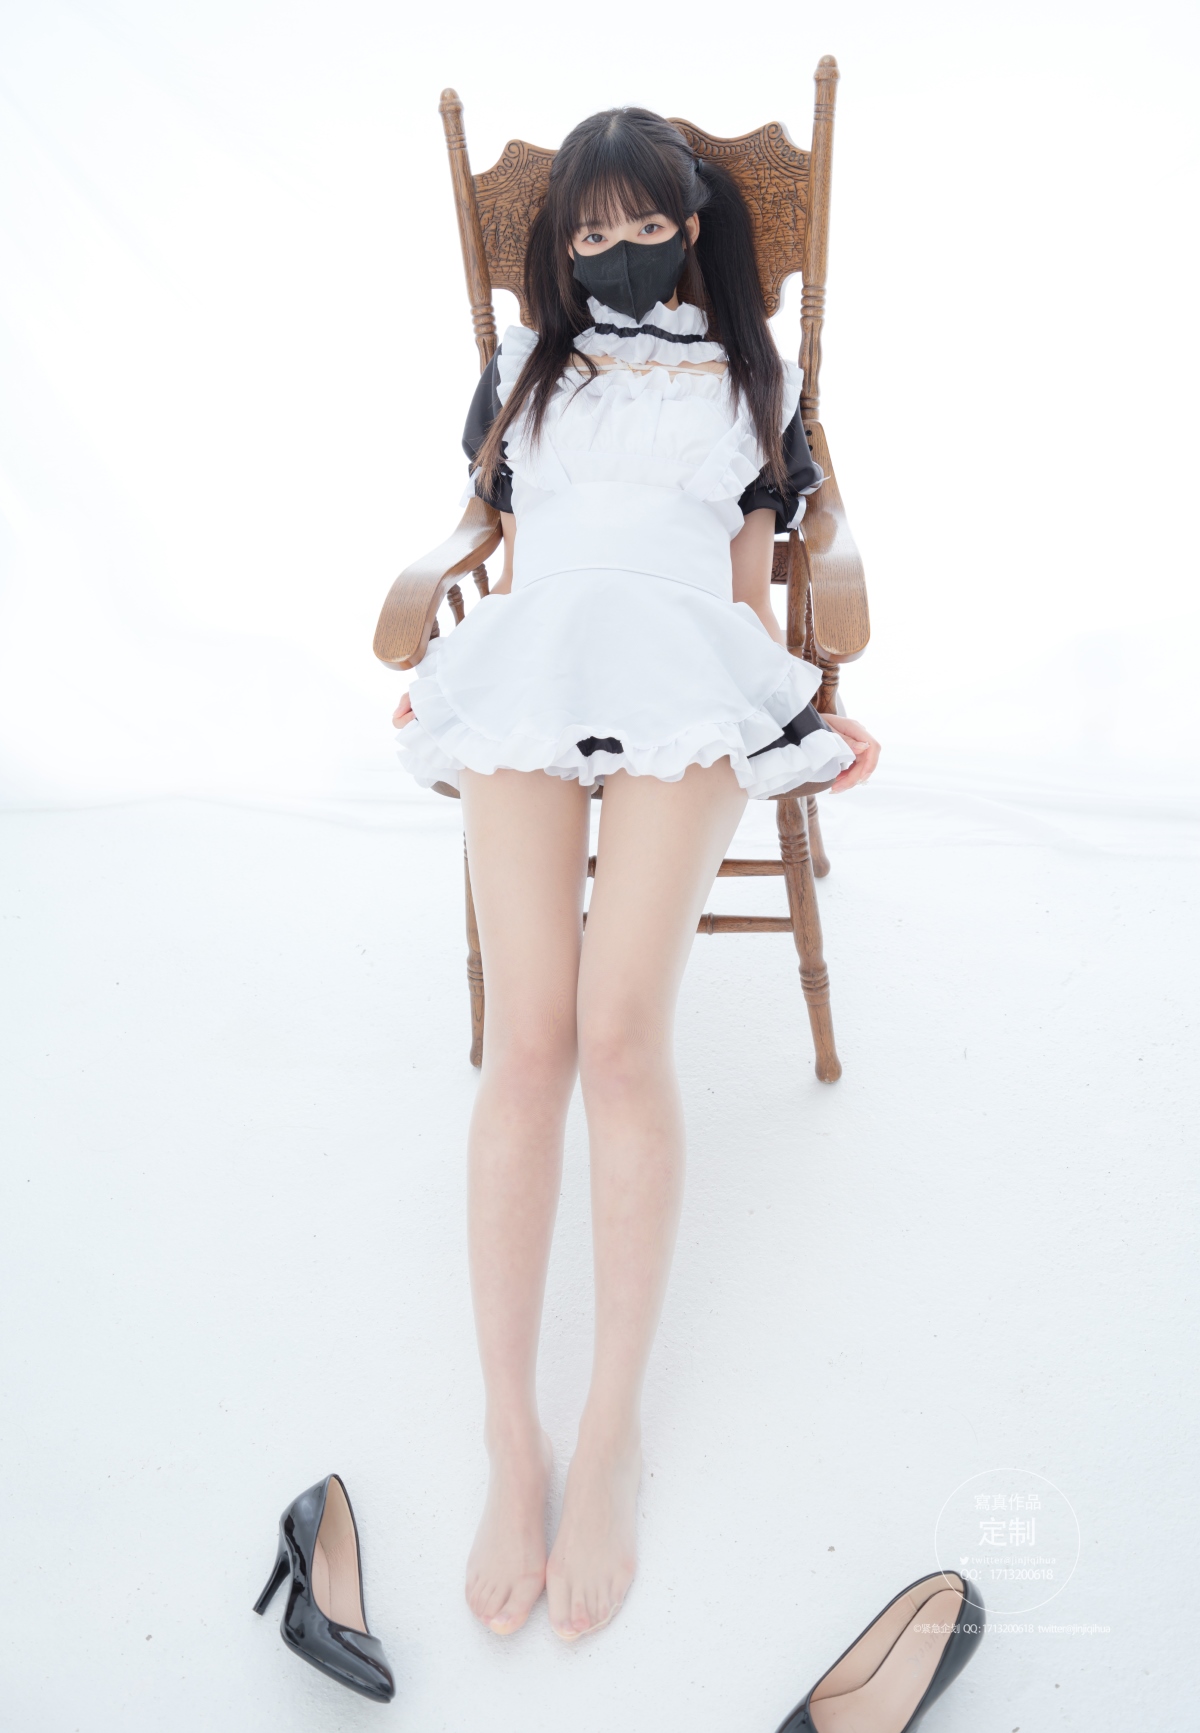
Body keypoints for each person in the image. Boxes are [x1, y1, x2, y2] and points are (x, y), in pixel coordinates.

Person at [392, 106, 880, 1643]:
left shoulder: (750, 381)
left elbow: (749, 582)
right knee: (531, 1042)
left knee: (617, 1036)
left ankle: (608, 1426)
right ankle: (509, 1432)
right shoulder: (524, 374)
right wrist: (457, 675)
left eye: (641, 225)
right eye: (586, 233)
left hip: (681, 668)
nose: (614, 252)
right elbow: (496, 538)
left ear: (692, 226)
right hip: (536, 659)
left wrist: (790, 700)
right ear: (559, 247)